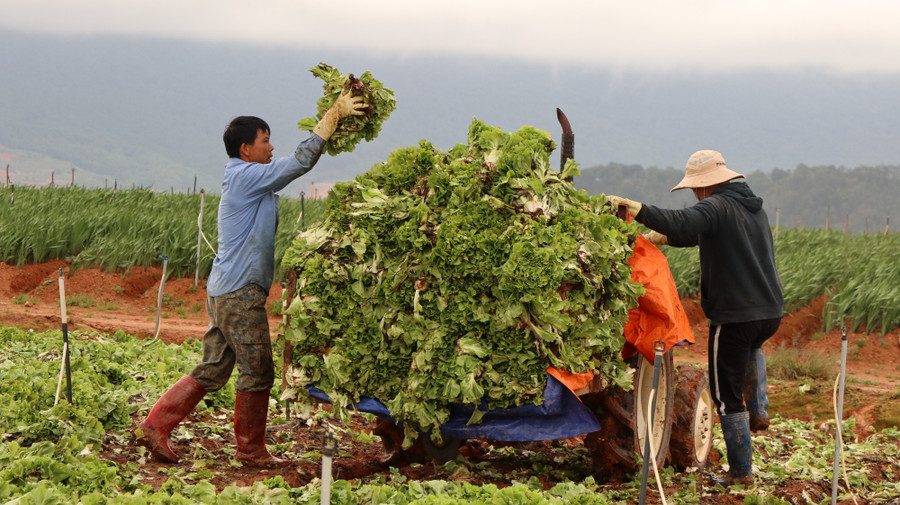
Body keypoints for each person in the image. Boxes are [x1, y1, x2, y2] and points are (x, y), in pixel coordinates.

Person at [135, 90, 368, 467]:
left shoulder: (248, 178)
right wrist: (331, 119)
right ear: (246, 149)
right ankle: (251, 451)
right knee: (258, 369)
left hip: (227, 288)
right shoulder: (246, 177)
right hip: (238, 292)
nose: (271, 147)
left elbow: (286, 168)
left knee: (214, 368)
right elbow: (300, 162)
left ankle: (155, 426)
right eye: (265, 140)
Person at [608, 149, 783, 487]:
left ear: (705, 186)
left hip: (734, 316)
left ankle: (741, 473)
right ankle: (759, 408)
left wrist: (639, 210)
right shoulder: (751, 208)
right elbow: (693, 232)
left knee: (724, 395)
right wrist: (665, 237)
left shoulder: (715, 205)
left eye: (694, 190)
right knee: (751, 347)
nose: (694, 194)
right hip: (769, 312)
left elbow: (687, 221)